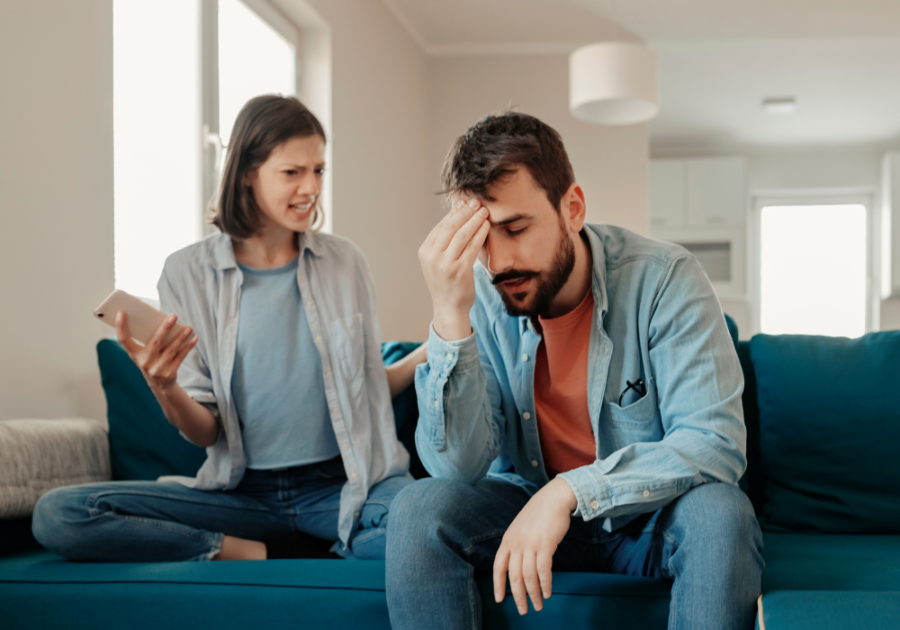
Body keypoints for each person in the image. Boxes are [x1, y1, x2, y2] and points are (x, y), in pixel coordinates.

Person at [385, 112, 763, 629]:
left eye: (515, 228)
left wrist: (568, 493)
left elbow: (713, 442)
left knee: (723, 514)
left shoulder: (664, 280)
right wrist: (450, 317)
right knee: (417, 511)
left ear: (573, 208)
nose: (498, 262)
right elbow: (457, 470)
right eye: (481, 238)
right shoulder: (483, 295)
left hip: (644, 519)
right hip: (523, 512)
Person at [32, 95, 424, 562]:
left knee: (432, 523)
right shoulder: (187, 273)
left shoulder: (345, 263)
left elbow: (362, 386)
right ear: (246, 173)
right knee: (61, 513)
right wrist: (164, 386)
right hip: (241, 496)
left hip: (343, 486)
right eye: (292, 172)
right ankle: (245, 551)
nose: (311, 187)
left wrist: (431, 349)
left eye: (318, 170)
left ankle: (332, 539)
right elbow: (205, 432)